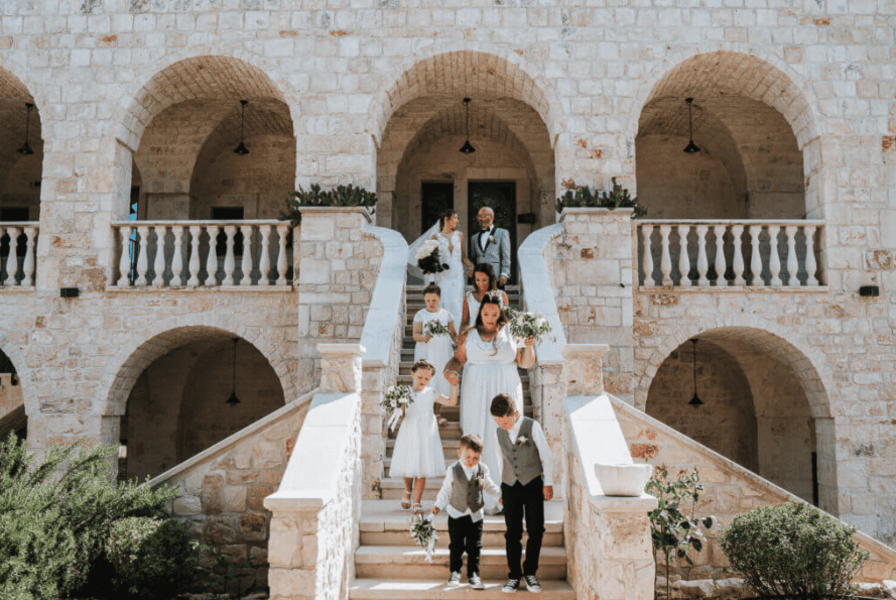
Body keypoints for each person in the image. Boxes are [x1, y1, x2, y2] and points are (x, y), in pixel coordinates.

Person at [444, 293, 535, 513]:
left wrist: (529, 346)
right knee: (478, 438)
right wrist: (450, 371)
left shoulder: (513, 331)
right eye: (486, 313)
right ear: (480, 312)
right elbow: (458, 359)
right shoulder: (469, 334)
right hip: (476, 393)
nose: (490, 317)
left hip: (505, 391)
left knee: (507, 441)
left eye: (495, 313)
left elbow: (525, 363)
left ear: (501, 312)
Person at [490, 393, 554, 594]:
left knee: (536, 530)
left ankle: (530, 574)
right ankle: (514, 576)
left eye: (506, 421)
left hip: (533, 482)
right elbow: (500, 460)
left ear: (515, 414)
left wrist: (549, 483)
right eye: (498, 421)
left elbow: (546, 455)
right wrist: (502, 488)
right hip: (510, 486)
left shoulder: (531, 426)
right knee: (512, 533)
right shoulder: (498, 432)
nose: (503, 425)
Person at [431, 433, 502, 590]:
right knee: (456, 546)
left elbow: (489, 486)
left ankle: (474, 575)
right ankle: (455, 572)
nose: (471, 461)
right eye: (468, 457)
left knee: (474, 546)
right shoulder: (453, 470)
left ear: (481, 455)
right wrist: (438, 504)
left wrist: (499, 497)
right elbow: (445, 491)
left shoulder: (482, 470)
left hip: (475, 516)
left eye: (475, 458)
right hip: (456, 514)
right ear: (459, 453)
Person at [390, 359, 458, 514]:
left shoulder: (431, 392)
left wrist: (454, 386)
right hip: (410, 431)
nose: (423, 381)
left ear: (431, 379)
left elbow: (452, 402)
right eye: (420, 377)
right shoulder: (405, 392)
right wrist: (397, 411)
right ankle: (407, 491)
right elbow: (401, 413)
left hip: (426, 433)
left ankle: (416, 501)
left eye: (427, 378)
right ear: (412, 373)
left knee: (422, 467)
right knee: (408, 466)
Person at [412, 284, 457, 426]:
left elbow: (453, 334)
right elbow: (415, 334)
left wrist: (461, 343)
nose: (431, 303)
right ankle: (426, 413)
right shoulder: (420, 315)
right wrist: (423, 337)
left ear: (440, 298)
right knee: (428, 380)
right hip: (427, 351)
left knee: (441, 381)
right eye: (428, 300)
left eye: (434, 300)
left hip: (443, 351)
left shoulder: (446, 315)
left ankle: (437, 413)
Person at [430, 209, 474, 325]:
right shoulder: (436, 237)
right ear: (446, 220)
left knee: (457, 304)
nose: (457, 221)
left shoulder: (460, 235)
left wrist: (471, 266)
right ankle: (443, 333)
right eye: (455, 218)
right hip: (443, 277)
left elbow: (463, 257)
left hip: (457, 276)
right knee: (443, 302)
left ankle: (457, 336)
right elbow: (430, 260)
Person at [468, 207, 511, 289]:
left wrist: (505, 273)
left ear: (491, 216)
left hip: (496, 276)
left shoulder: (502, 233)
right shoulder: (474, 237)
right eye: (479, 216)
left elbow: (506, 256)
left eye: (483, 215)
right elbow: (473, 258)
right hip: (479, 279)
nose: (480, 218)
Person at [462, 263, 509, 328]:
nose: (481, 283)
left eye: (484, 280)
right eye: (477, 280)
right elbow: (464, 323)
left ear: (490, 279)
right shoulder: (468, 296)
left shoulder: (502, 295)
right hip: (473, 335)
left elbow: (505, 321)